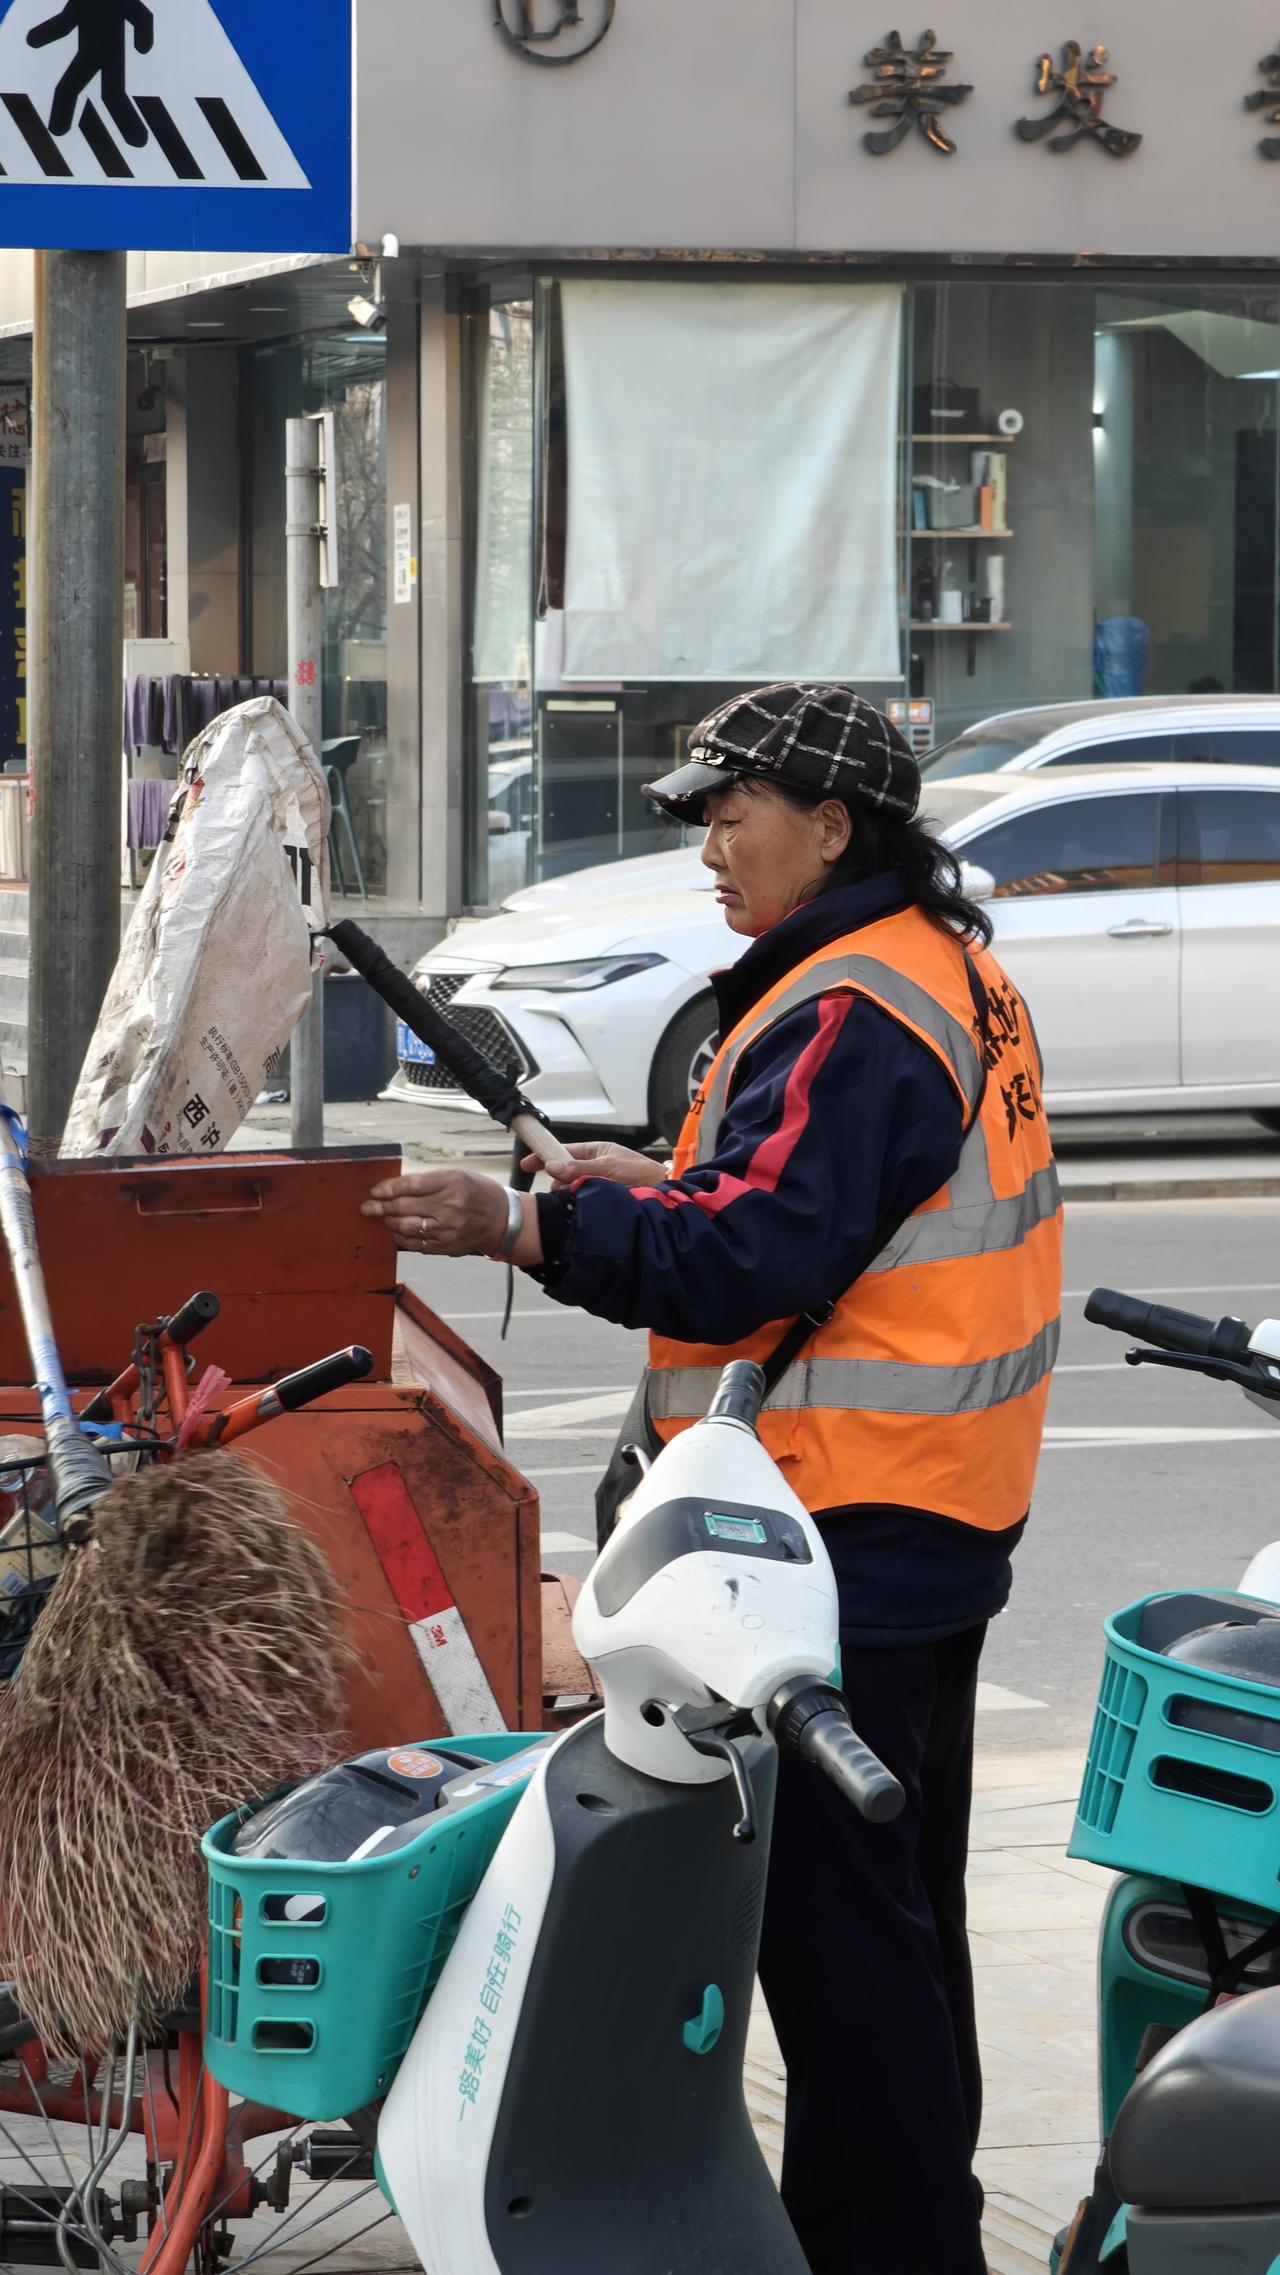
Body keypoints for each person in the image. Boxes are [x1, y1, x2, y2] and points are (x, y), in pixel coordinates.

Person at [362, 683, 1063, 2275]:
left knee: (843, 1955)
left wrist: (527, 1225)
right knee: (899, 1925)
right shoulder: (931, 972)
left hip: (839, 1537)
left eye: (734, 816)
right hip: (926, 1518)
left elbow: (751, 1253)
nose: (710, 850)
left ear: (835, 827)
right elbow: (804, 1207)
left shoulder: (855, 1005)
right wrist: (653, 1180)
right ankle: (911, 2232)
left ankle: (889, 2251)